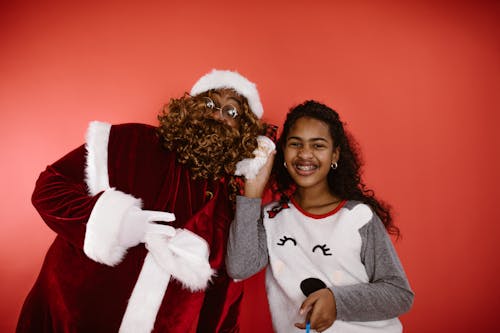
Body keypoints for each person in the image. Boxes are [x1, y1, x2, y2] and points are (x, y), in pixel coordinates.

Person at [16, 69, 274, 333]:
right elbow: (49, 188)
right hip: (63, 321)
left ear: (243, 133)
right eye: (209, 103)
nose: (217, 114)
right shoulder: (129, 142)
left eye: (231, 112)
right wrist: (111, 221)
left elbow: (224, 301)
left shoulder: (224, 206)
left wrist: (255, 184)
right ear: (189, 108)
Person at [226, 100, 414, 333]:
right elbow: (239, 267)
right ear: (283, 151)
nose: (305, 154)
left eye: (318, 146)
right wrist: (252, 192)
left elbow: (399, 294)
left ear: (335, 155)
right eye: (296, 144)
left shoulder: (358, 217)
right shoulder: (272, 217)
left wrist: (336, 301)